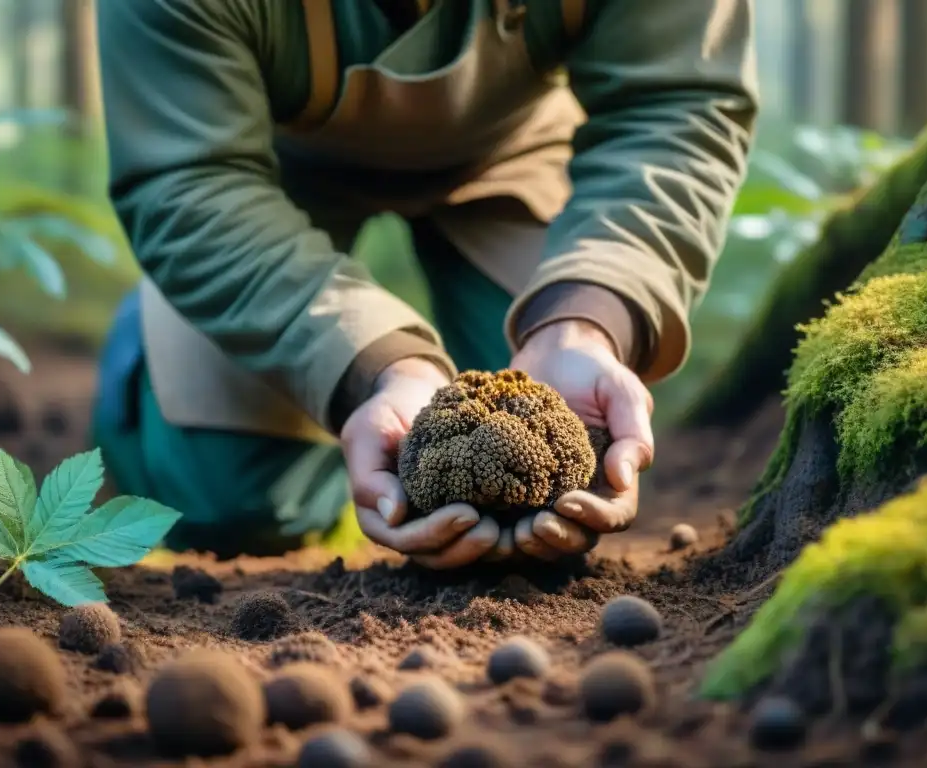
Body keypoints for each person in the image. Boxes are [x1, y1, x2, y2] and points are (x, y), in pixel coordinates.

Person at [91, 0, 758, 566]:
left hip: (512, 150)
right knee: (230, 504)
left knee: (573, 451)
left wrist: (585, 319)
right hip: (262, 174)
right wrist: (378, 367)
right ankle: (146, 359)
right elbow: (189, 180)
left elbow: (678, 103)